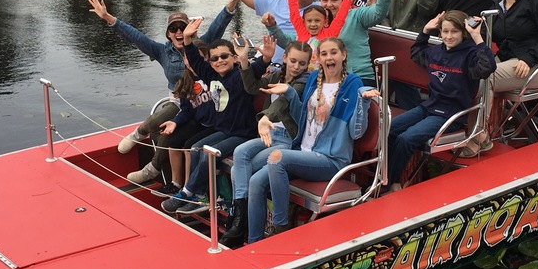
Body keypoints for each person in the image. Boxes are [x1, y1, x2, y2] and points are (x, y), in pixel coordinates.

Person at [87, 0, 239, 185]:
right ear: (168, 33)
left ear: (188, 29)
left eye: (181, 27)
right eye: (173, 28)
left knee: (169, 135)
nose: (177, 32)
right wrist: (108, 18)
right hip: (179, 100)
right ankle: (139, 134)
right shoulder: (161, 51)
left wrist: (233, 1)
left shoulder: (201, 45)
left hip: (202, 103)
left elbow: (219, 24)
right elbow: (136, 37)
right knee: (156, 123)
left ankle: (152, 170)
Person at [247, 38, 379, 243]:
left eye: (333, 52)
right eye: (324, 54)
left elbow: (357, 133)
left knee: (276, 158)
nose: (329, 58)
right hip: (304, 153)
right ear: (319, 59)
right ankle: (253, 241)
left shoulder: (353, 83)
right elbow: (302, 118)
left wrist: (363, 100)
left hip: (331, 159)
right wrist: (289, 92)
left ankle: (280, 231)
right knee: (256, 181)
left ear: (343, 55)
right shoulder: (314, 78)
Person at [160, 19, 264, 214]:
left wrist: (255, 57)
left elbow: (256, 70)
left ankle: (187, 193)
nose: (219, 61)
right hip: (223, 130)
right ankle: (199, 195)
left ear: (233, 58)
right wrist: (188, 40)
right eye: (214, 59)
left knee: (209, 153)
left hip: (243, 133)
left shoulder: (240, 76)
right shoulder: (212, 76)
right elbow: (197, 62)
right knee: (196, 148)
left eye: (224, 56)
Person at [386, 10, 496, 191]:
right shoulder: (436, 52)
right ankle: (387, 176)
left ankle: (394, 183)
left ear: (463, 32)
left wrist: (477, 37)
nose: (449, 36)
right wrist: (425, 30)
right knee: (389, 130)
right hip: (429, 106)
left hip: (451, 114)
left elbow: (487, 67)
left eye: (454, 32)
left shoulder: (470, 54)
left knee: (406, 138)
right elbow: (416, 53)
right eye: (445, 31)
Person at [219, 37, 313, 247]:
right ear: (286, 58)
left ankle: (249, 236)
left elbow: (280, 103)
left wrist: (265, 117)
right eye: (294, 61)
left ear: (308, 64)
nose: (297, 66)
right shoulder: (277, 75)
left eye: (302, 63)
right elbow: (252, 87)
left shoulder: (302, 83)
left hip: (287, 141)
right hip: (268, 135)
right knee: (240, 154)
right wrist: (243, 60)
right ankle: (240, 216)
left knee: (251, 179)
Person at [465, 0, 538, 156]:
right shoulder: (497, 5)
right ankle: (473, 132)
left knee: (486, 76)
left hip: (537, 66)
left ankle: (477, 135)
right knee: (471, 71)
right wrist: (478, 27)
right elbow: (493, 35)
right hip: (509, 61)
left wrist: (528, 58)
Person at [319, 0, 394, 88]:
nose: (329, 4)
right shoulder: (317, 22)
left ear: (344, 0)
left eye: (334, 0)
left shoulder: (356, 15)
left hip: (359, 77)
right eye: (325, 0)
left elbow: (379, 12)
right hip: (327, 77)